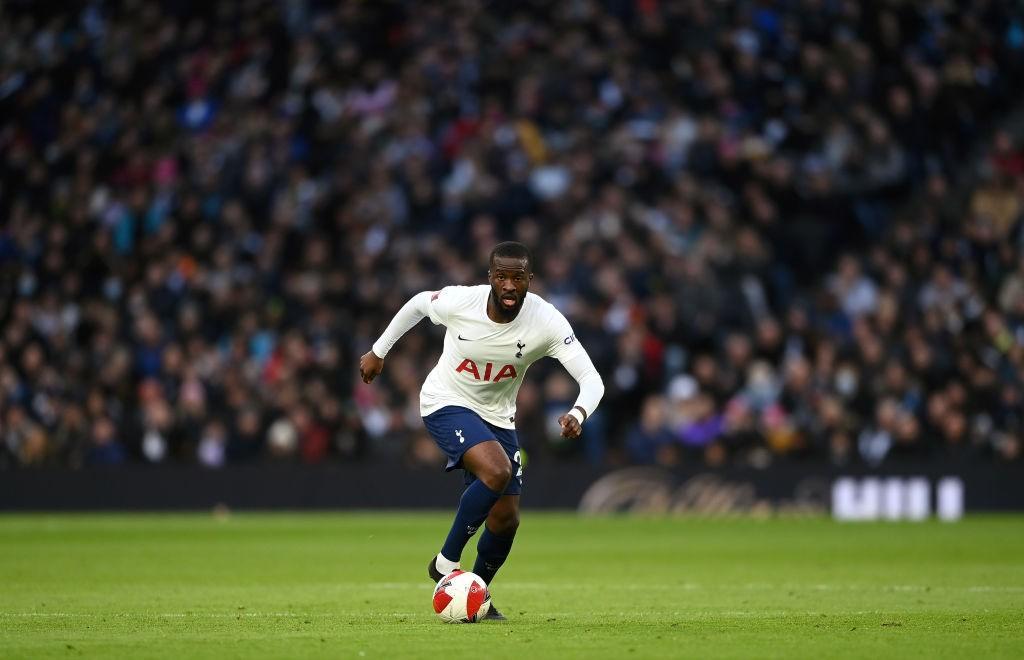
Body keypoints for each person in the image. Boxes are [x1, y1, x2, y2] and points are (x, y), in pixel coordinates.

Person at [359, 241, 604, 620]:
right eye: (501, 276)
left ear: (529, 280)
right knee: (497, 469)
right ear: (490, 277)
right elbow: (420, 303)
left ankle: (477, 594)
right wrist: (379, 351)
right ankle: (445, 562)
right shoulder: (462, 302)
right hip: (445, 401)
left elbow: (591, 379)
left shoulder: (547, 321)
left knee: (506, 519)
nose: (509, 285)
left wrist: (579, 411)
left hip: (498, 417)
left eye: (518, 277)